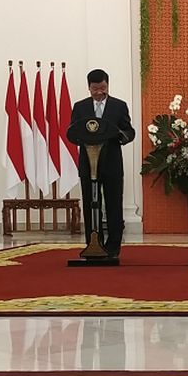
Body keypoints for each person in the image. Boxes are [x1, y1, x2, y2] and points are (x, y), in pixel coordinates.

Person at [67, 69, 135, 259]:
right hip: (88, 164)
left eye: (103, 88)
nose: (99, 92)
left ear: (108, 85)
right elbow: (73, 131)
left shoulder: (119, 106)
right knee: (90, 204)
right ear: (89, 87)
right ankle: (93, 244)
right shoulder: (80, 107)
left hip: (112, 163)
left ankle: (113, 247)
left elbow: (128, 130)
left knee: (114, 204)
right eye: (95, 88)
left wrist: (124, 137)